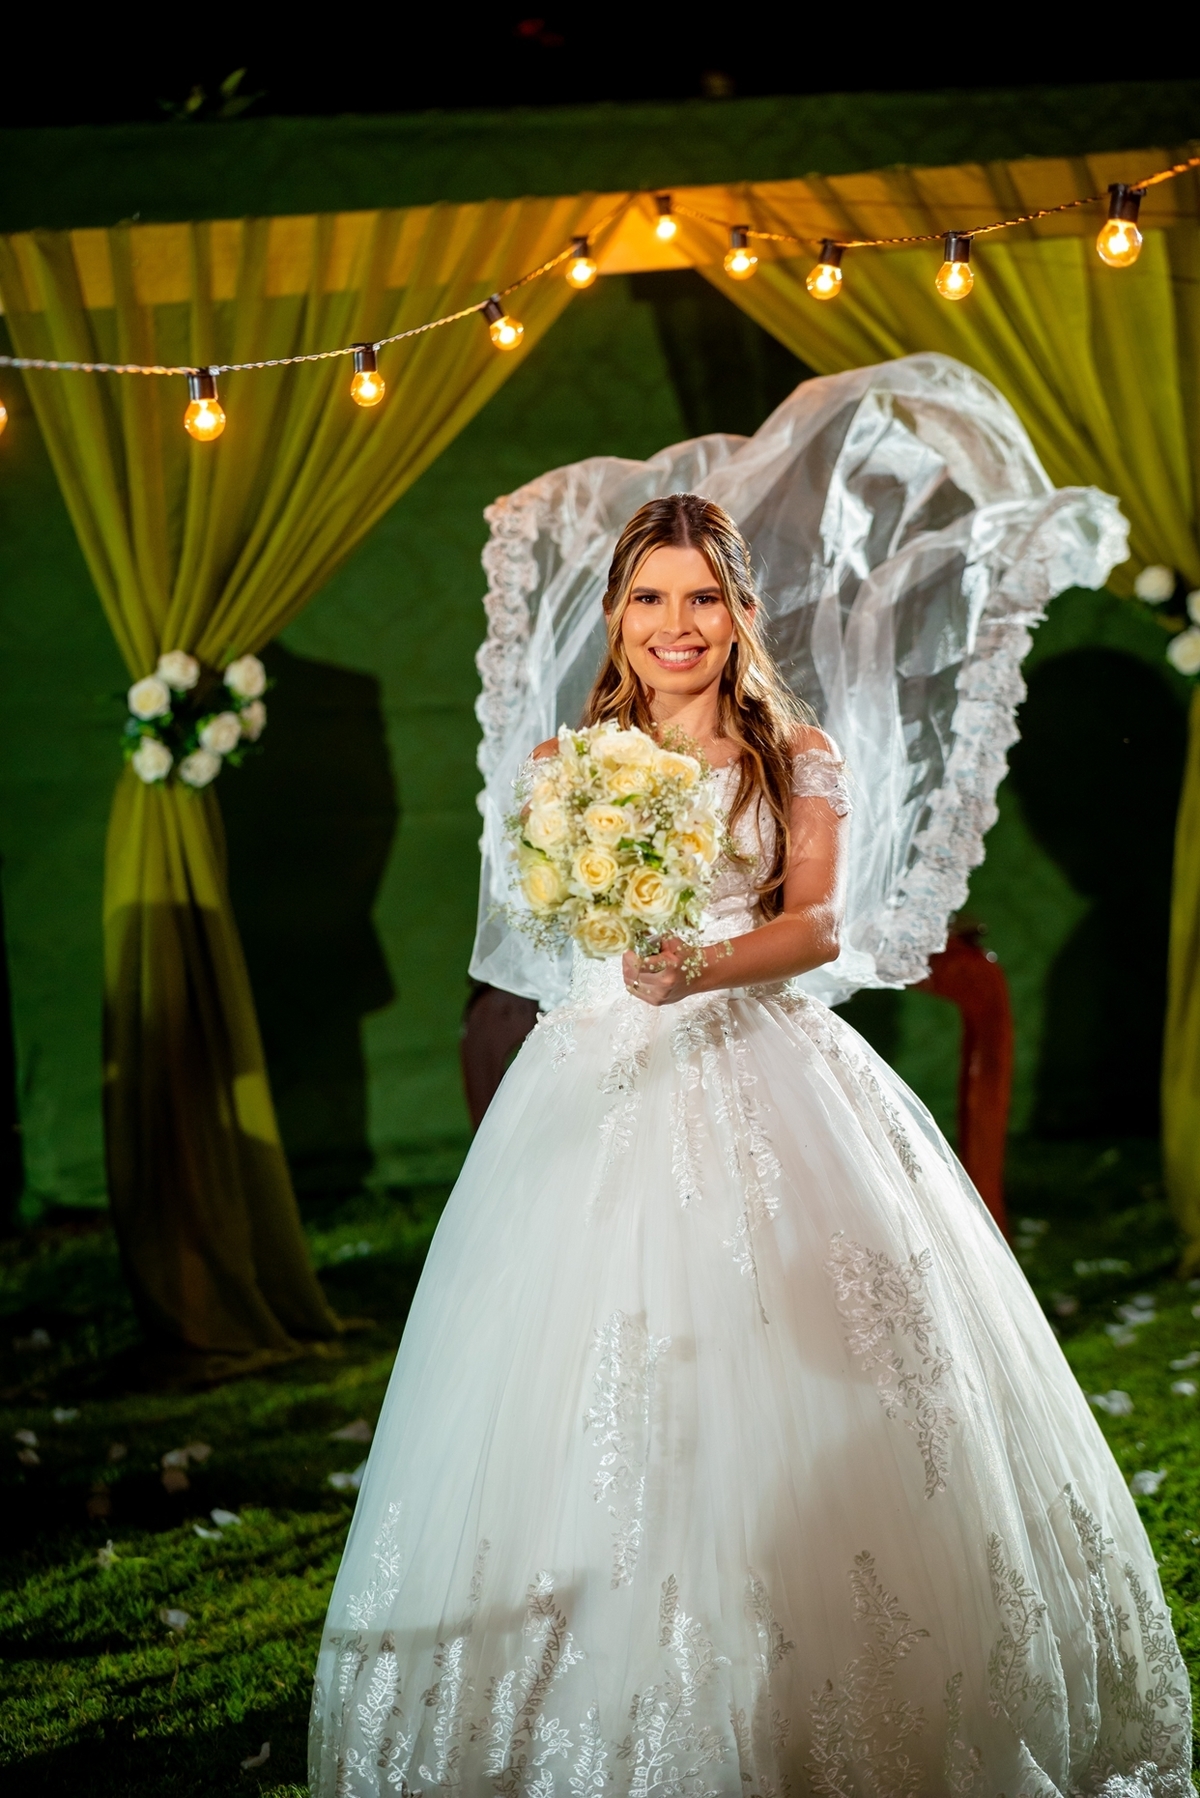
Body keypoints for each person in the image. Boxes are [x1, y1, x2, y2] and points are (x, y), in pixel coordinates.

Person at [310, 494, 1190, 1798]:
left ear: (740, 614)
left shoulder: (797, 754)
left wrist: (697, 964)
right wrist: (606, 934)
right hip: (602, 1073)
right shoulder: (572, 764)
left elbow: (819, 924)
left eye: (704, 599)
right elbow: (550, 925)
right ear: (618, 613)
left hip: (756, 1054)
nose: (679, 626)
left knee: (802, 1355)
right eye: (653, 598)